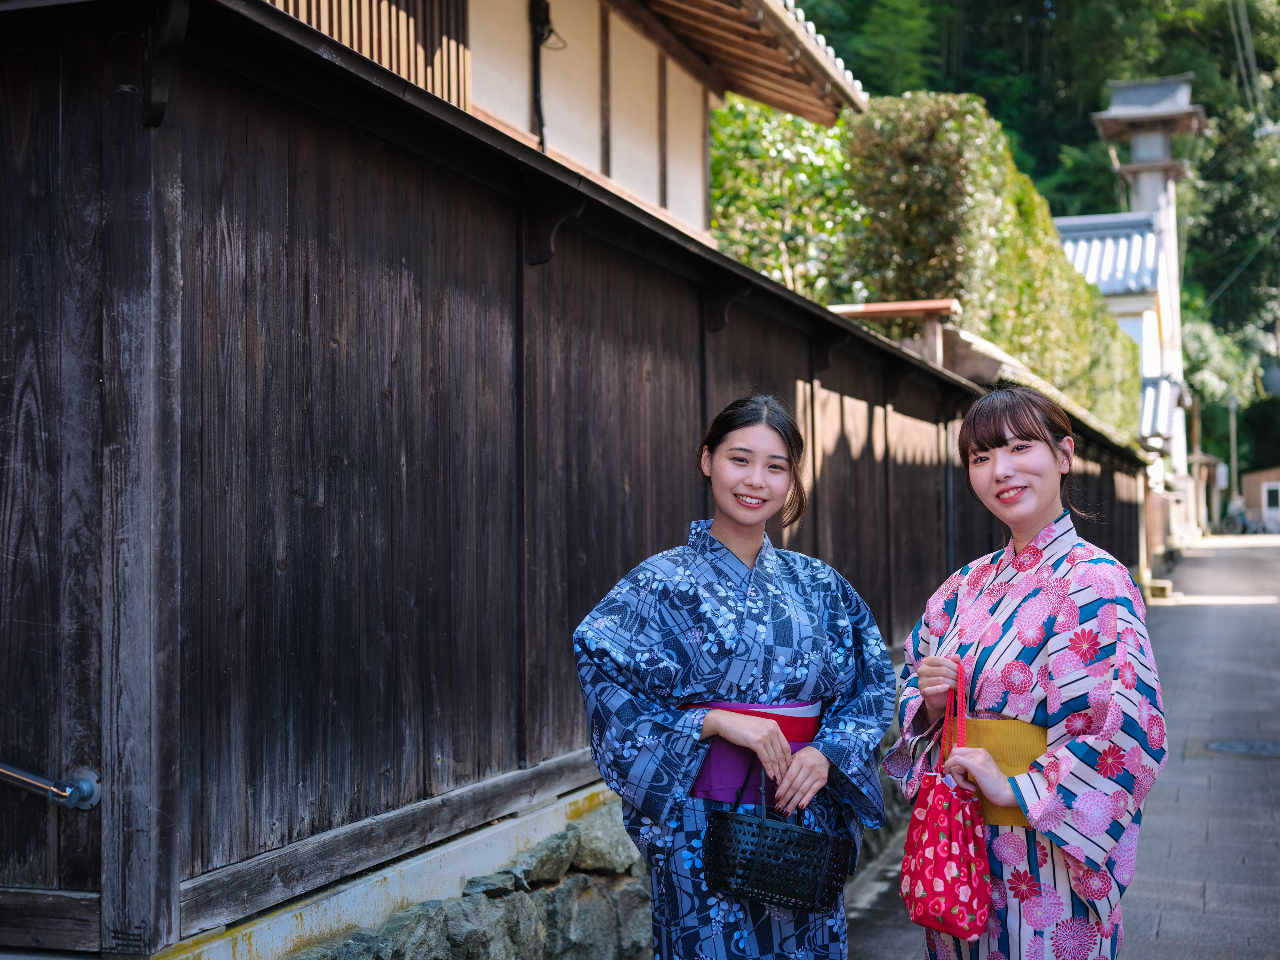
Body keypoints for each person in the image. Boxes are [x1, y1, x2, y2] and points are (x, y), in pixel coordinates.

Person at [574, 394, 895, 960]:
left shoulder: (820, 586)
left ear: (791, 479)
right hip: (698, 825)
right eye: (739, 459)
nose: (756, 481)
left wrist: (827, 753)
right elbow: (605, 675)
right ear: (707, 460)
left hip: (802, 818)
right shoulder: (658, 584)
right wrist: (713, 721)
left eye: (776, 467)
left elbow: (871, 687)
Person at [885, 387, 1165, 960]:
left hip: (1046, 854)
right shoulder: (965, 586)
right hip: (961, 850)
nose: (1001, 471)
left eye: (1019, 448)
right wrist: (932, 701)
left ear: (1064, 454)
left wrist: (1015, 786)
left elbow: (1129, 733)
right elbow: (914, 680)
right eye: (981, 457)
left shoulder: (1098, 582)